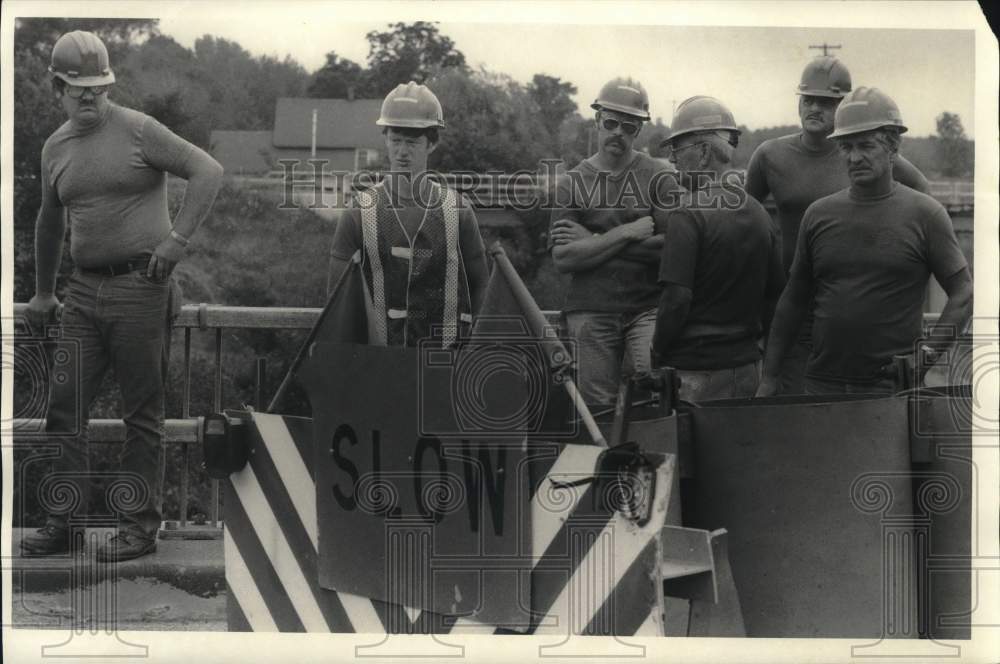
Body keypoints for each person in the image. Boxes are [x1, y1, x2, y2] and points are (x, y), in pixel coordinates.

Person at [22, 31, 223, 561]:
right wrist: (43, 292)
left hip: (142, 286)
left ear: (109, 85)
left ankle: (138, 528)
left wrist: (176, 242)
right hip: (82, 291)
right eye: (77, 88)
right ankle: (64, 522)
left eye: (98, 87)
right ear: (58, 87)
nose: (89, 97)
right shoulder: (55, 147)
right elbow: (50, 221)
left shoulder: (139, 130)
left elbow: (208, 171)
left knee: (142, 414)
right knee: (65, 410)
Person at [756, 87, 972, 397]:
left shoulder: (926, 214)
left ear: (892, 146)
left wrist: (924, 358)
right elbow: (794, 299)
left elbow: (963, 291)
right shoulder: (818, 215)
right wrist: (770, 377)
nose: (854, 157)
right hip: (821, 385)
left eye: (866, 146)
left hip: (890, 389)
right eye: (846, 147)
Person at [549, 77, 683, 408]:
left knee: (656, 395)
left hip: (647, 308)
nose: (618, 133)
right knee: (599, 408)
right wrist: (626, 233)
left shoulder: (659, 176)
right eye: (611, 123)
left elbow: (672, 248)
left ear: (639, 130)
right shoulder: (572, 183)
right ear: (597, 120)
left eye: (629, 126)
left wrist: (592, 242)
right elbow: (564, 259)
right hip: (590, 309)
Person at [326, 81, 488, 348]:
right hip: (379, 365)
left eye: (412, 142)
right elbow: (336, 300)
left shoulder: (458, 211)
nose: (402, 152)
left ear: (432, 144)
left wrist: (475, 347)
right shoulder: (358, 213)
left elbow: (482, 285)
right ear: (385, 140)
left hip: (443, 364)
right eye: (396, 140)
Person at [652, 97, 784, 401]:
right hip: (748, 368)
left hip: (695, 372)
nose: (672, 160)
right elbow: (776, 295)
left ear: (702, 153)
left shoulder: (687, 213)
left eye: (677, 149)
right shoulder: (759, 213)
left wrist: (657, 349)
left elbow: (676, 298)